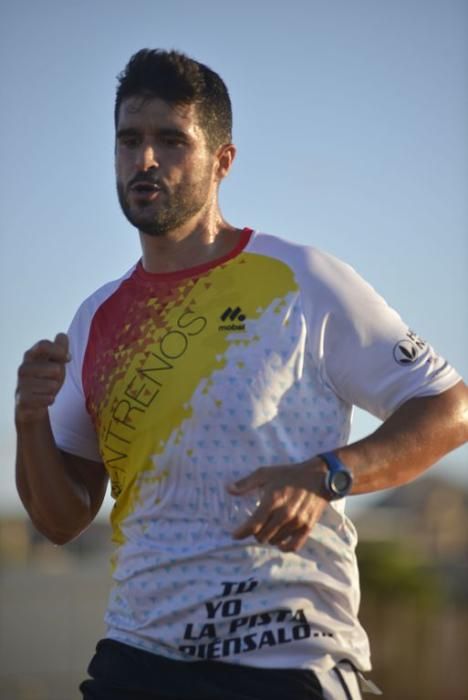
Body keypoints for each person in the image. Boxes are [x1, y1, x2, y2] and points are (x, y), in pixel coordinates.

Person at [15, 49, 467, 700]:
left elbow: (449, 408)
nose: (146, 160)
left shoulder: (301, 280)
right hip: (136, 658)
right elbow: (61, 521)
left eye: (172, 140)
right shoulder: (97, 318)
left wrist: (328, 473)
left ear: (222, 160)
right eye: (130, 140)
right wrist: (29, 421)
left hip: (289, 659)